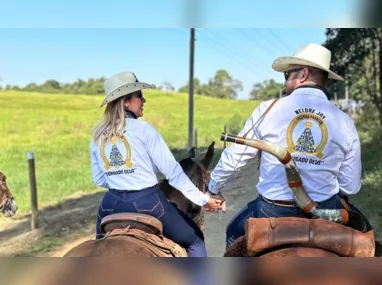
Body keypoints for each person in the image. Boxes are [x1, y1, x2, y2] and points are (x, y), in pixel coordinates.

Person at [207, 43, 373, 249]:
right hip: (326, 211)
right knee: (369, 236)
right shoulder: (344, 121)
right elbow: (350, 186)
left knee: (232, 235)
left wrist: (214, 188)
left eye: (287, 75)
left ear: (303, 74)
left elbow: (236, 157)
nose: (285, 82)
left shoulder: (268, 109)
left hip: (272, 210)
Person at [90, 71, 222, 257]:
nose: (144, 101)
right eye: (140, 96)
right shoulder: (144, 130)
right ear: (126, 101)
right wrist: (203, 199)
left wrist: (121, 179)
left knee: (96, 252)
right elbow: (173, 174)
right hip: (148, 203)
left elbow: (99, 179)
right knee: (195, 241)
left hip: (110, 204)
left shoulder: (98, 135)